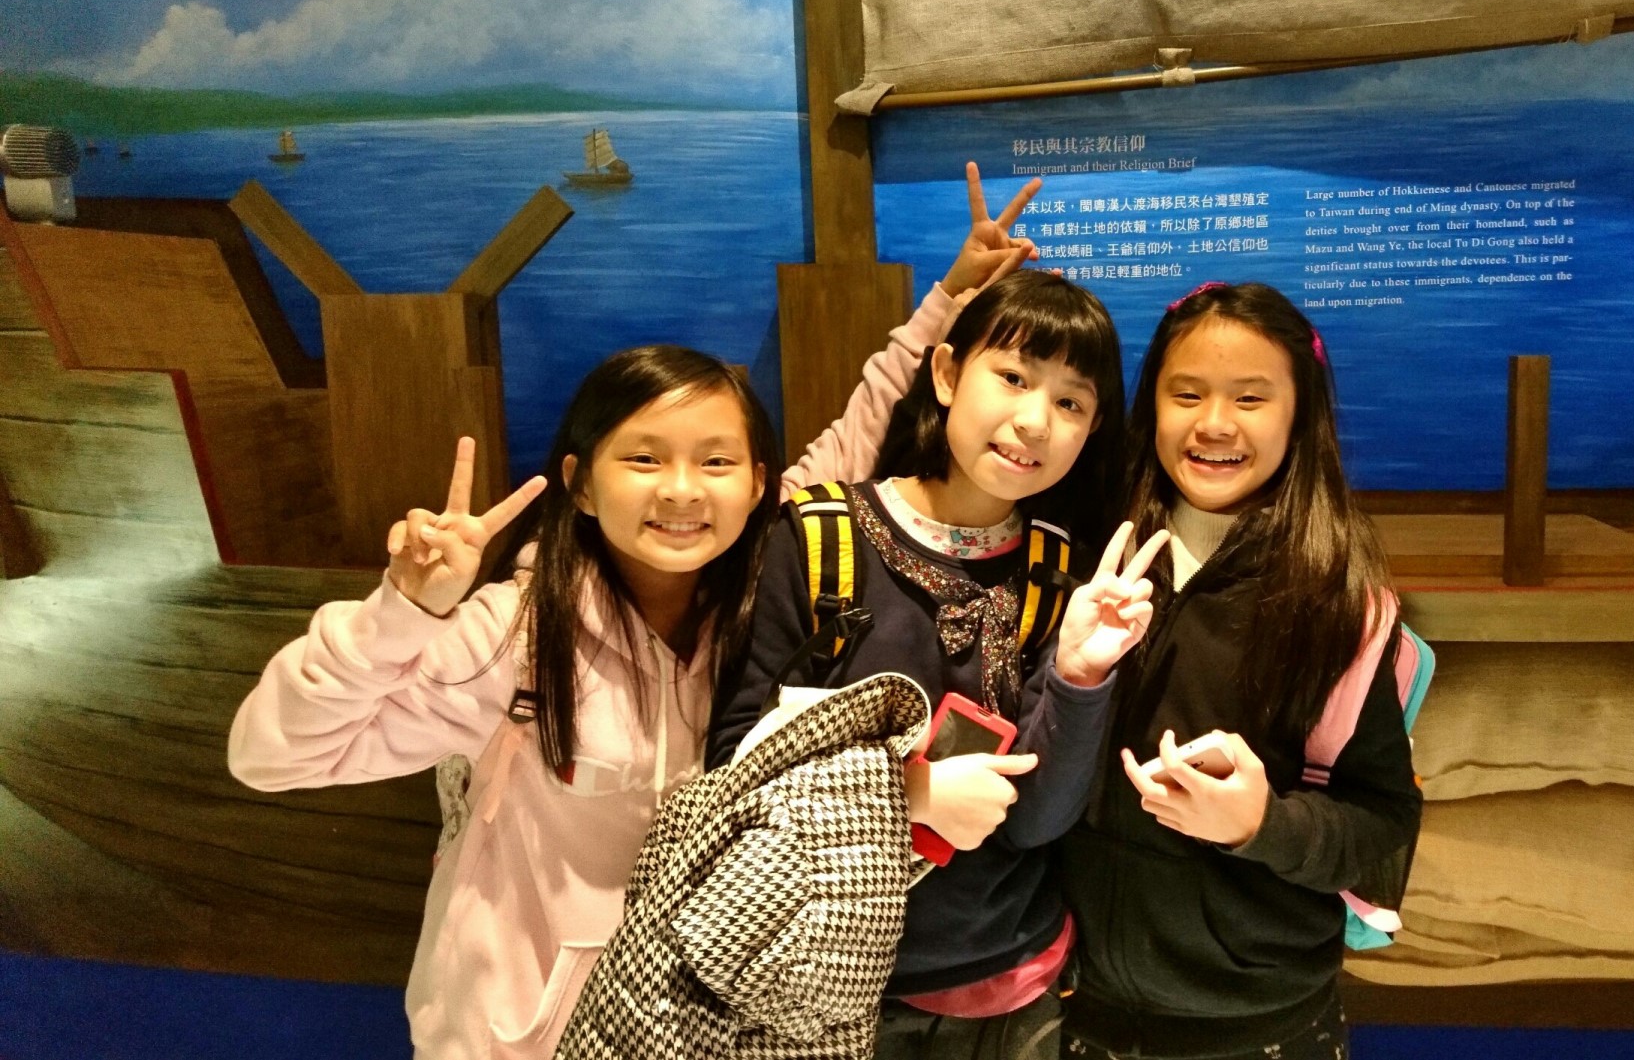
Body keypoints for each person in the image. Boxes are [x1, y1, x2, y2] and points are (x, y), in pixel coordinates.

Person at [226, 165, 1046, 1060]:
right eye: (644, 459)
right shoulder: (514, 635)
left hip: (695, 1032)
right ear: (579, 484)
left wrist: (952, 296)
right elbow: (274, 756)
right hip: (517, 1040)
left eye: (715, 462)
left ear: (759, 484)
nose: (683, 491)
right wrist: (403, 612)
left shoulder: (766, 586)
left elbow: (861, 427)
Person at [709, 268, 1167, 1060]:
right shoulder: (817, 537)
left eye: (1070, 402)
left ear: (1093, 428)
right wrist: (907, 794)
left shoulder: (1061, 574)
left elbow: (1035, 821)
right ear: (948, 373)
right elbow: (733, 770)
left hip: (1006, 981)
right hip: (818, 984)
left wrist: (1080, 675)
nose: (1034, 421)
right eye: (1013, 377)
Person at [1059, 281, 1424, 1060]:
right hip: (1070, 1005)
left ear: (1299, 413)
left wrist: (1260, 824)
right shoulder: (1085, 548)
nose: (1215, 422)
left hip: (1262, 1021)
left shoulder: (1335, 599)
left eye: (1250, 397)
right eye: (1186, 393)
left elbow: (1381, 823)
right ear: (1150, 403)